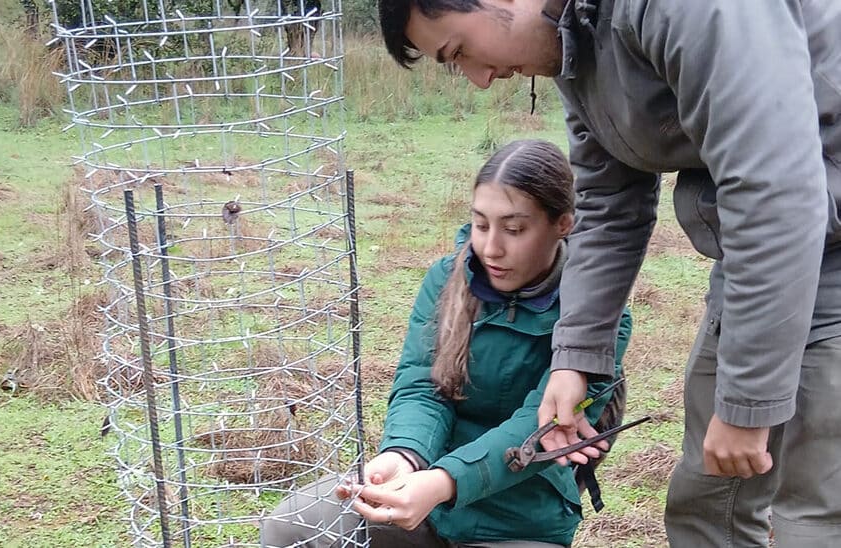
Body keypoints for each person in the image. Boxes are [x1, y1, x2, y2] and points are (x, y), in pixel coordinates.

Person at [377, 1, 841, 547]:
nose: (480, 80)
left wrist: (749, 401)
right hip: (757, 261)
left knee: (813, 509)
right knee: (708, 500)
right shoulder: (575, 41)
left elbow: (775, 195)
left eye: (460, 51)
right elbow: (609, 199)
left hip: (811, 247)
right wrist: (575, 357)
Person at [264, 139, 632, 547]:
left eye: (514, 229)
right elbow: (422, 387)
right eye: (480, 224)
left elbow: (537, 429)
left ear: (562, 224)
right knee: (291, 528)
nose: (491, 248)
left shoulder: (599, 320)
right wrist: (401, 456)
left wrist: (442, 483)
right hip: (424, 491)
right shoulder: (446, 279)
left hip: (519, 518)